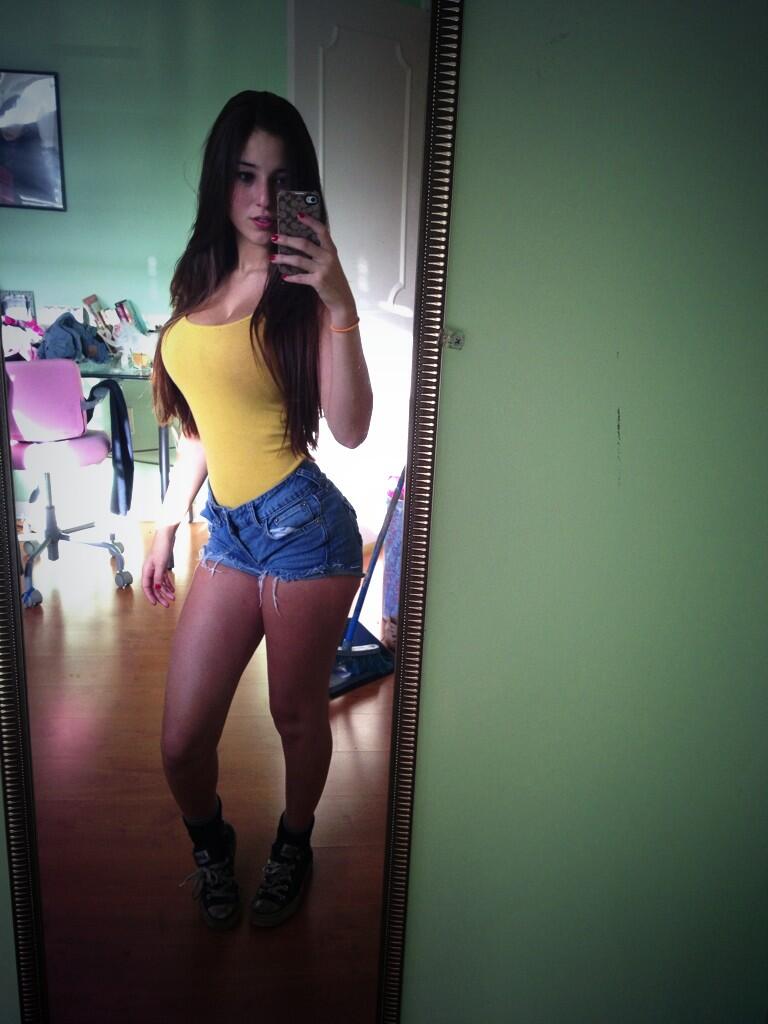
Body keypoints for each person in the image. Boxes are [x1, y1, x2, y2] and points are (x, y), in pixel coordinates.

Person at [141, 91, 372, 931]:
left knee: (294, 715)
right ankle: (213, 843)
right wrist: (170, 518)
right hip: (231, 531)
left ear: (300, 187)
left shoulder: (304, 289)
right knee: (181, 739)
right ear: (221, 180)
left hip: (305, 530)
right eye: (245, 175)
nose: (262, 198)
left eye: (280, 180)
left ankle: (294, 842)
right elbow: (205, 424)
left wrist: (340, 304)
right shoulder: (198, 276)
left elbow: (350, 428)